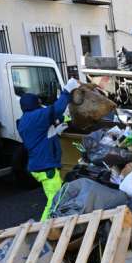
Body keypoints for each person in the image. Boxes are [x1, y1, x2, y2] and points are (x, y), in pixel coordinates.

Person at [17, 78, 80, 221]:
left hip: (39, 164)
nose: (41, 107)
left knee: (57, 197)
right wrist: (67, 90)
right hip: (46, 167)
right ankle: (43, 230)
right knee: (55, 201)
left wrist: (55, 131)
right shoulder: (35, 117)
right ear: (35, 105)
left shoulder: (25, 120)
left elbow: (40, 137)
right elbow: (56, 109)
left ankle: (51, 227)